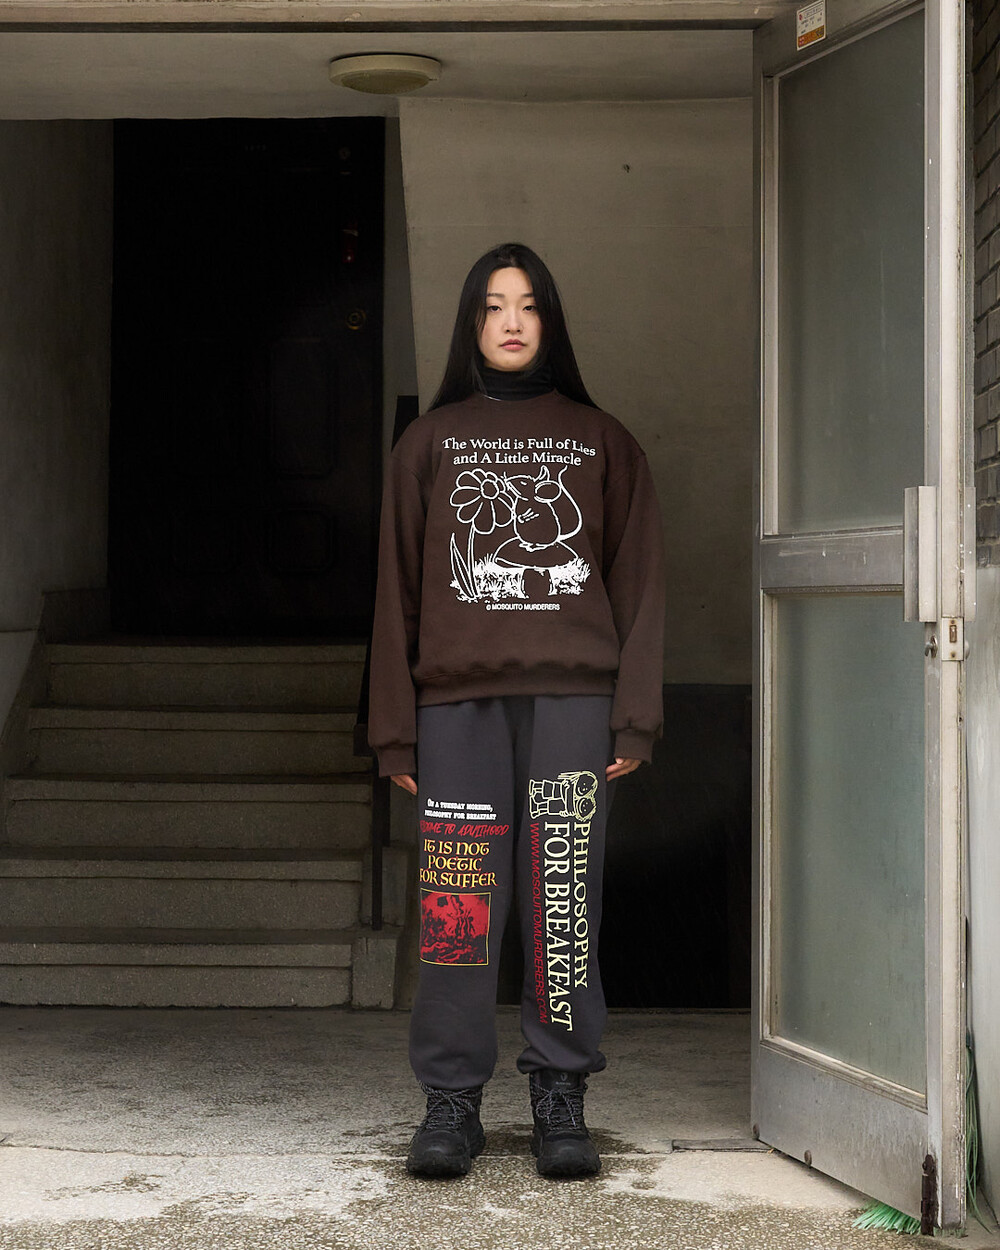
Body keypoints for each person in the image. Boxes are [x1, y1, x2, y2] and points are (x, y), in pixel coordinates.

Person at [368, 242, 665, 1180]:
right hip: (456, 710)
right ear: (471, 322)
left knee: (563, 901)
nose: (510, 321)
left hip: (574, 705)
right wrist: (395, 731)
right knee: (457, 907)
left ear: (550, 321)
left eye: (528, 305)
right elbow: (396, 595)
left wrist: (634, 717)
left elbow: (640, 585)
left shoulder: (602, 440)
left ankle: (560, 1097)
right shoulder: (429, 443)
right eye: (494, 305)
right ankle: (451, 1104)